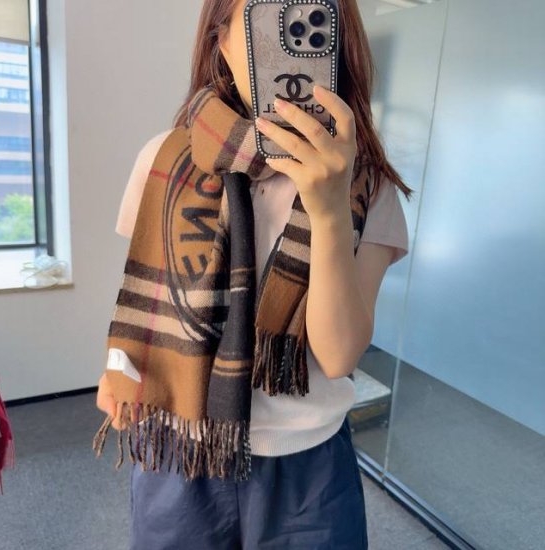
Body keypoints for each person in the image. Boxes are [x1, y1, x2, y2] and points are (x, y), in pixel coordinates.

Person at [96, 0, 411, 548]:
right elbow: (146, 295)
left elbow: (338, 356)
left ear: (335, 42)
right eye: (263, 22)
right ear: (219, 40)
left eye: (307, 22)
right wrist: (116, 369)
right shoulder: (163, 159)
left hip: (306, 464)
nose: (286, 46)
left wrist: (329, 209)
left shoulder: (366, 184)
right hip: (180, 444)